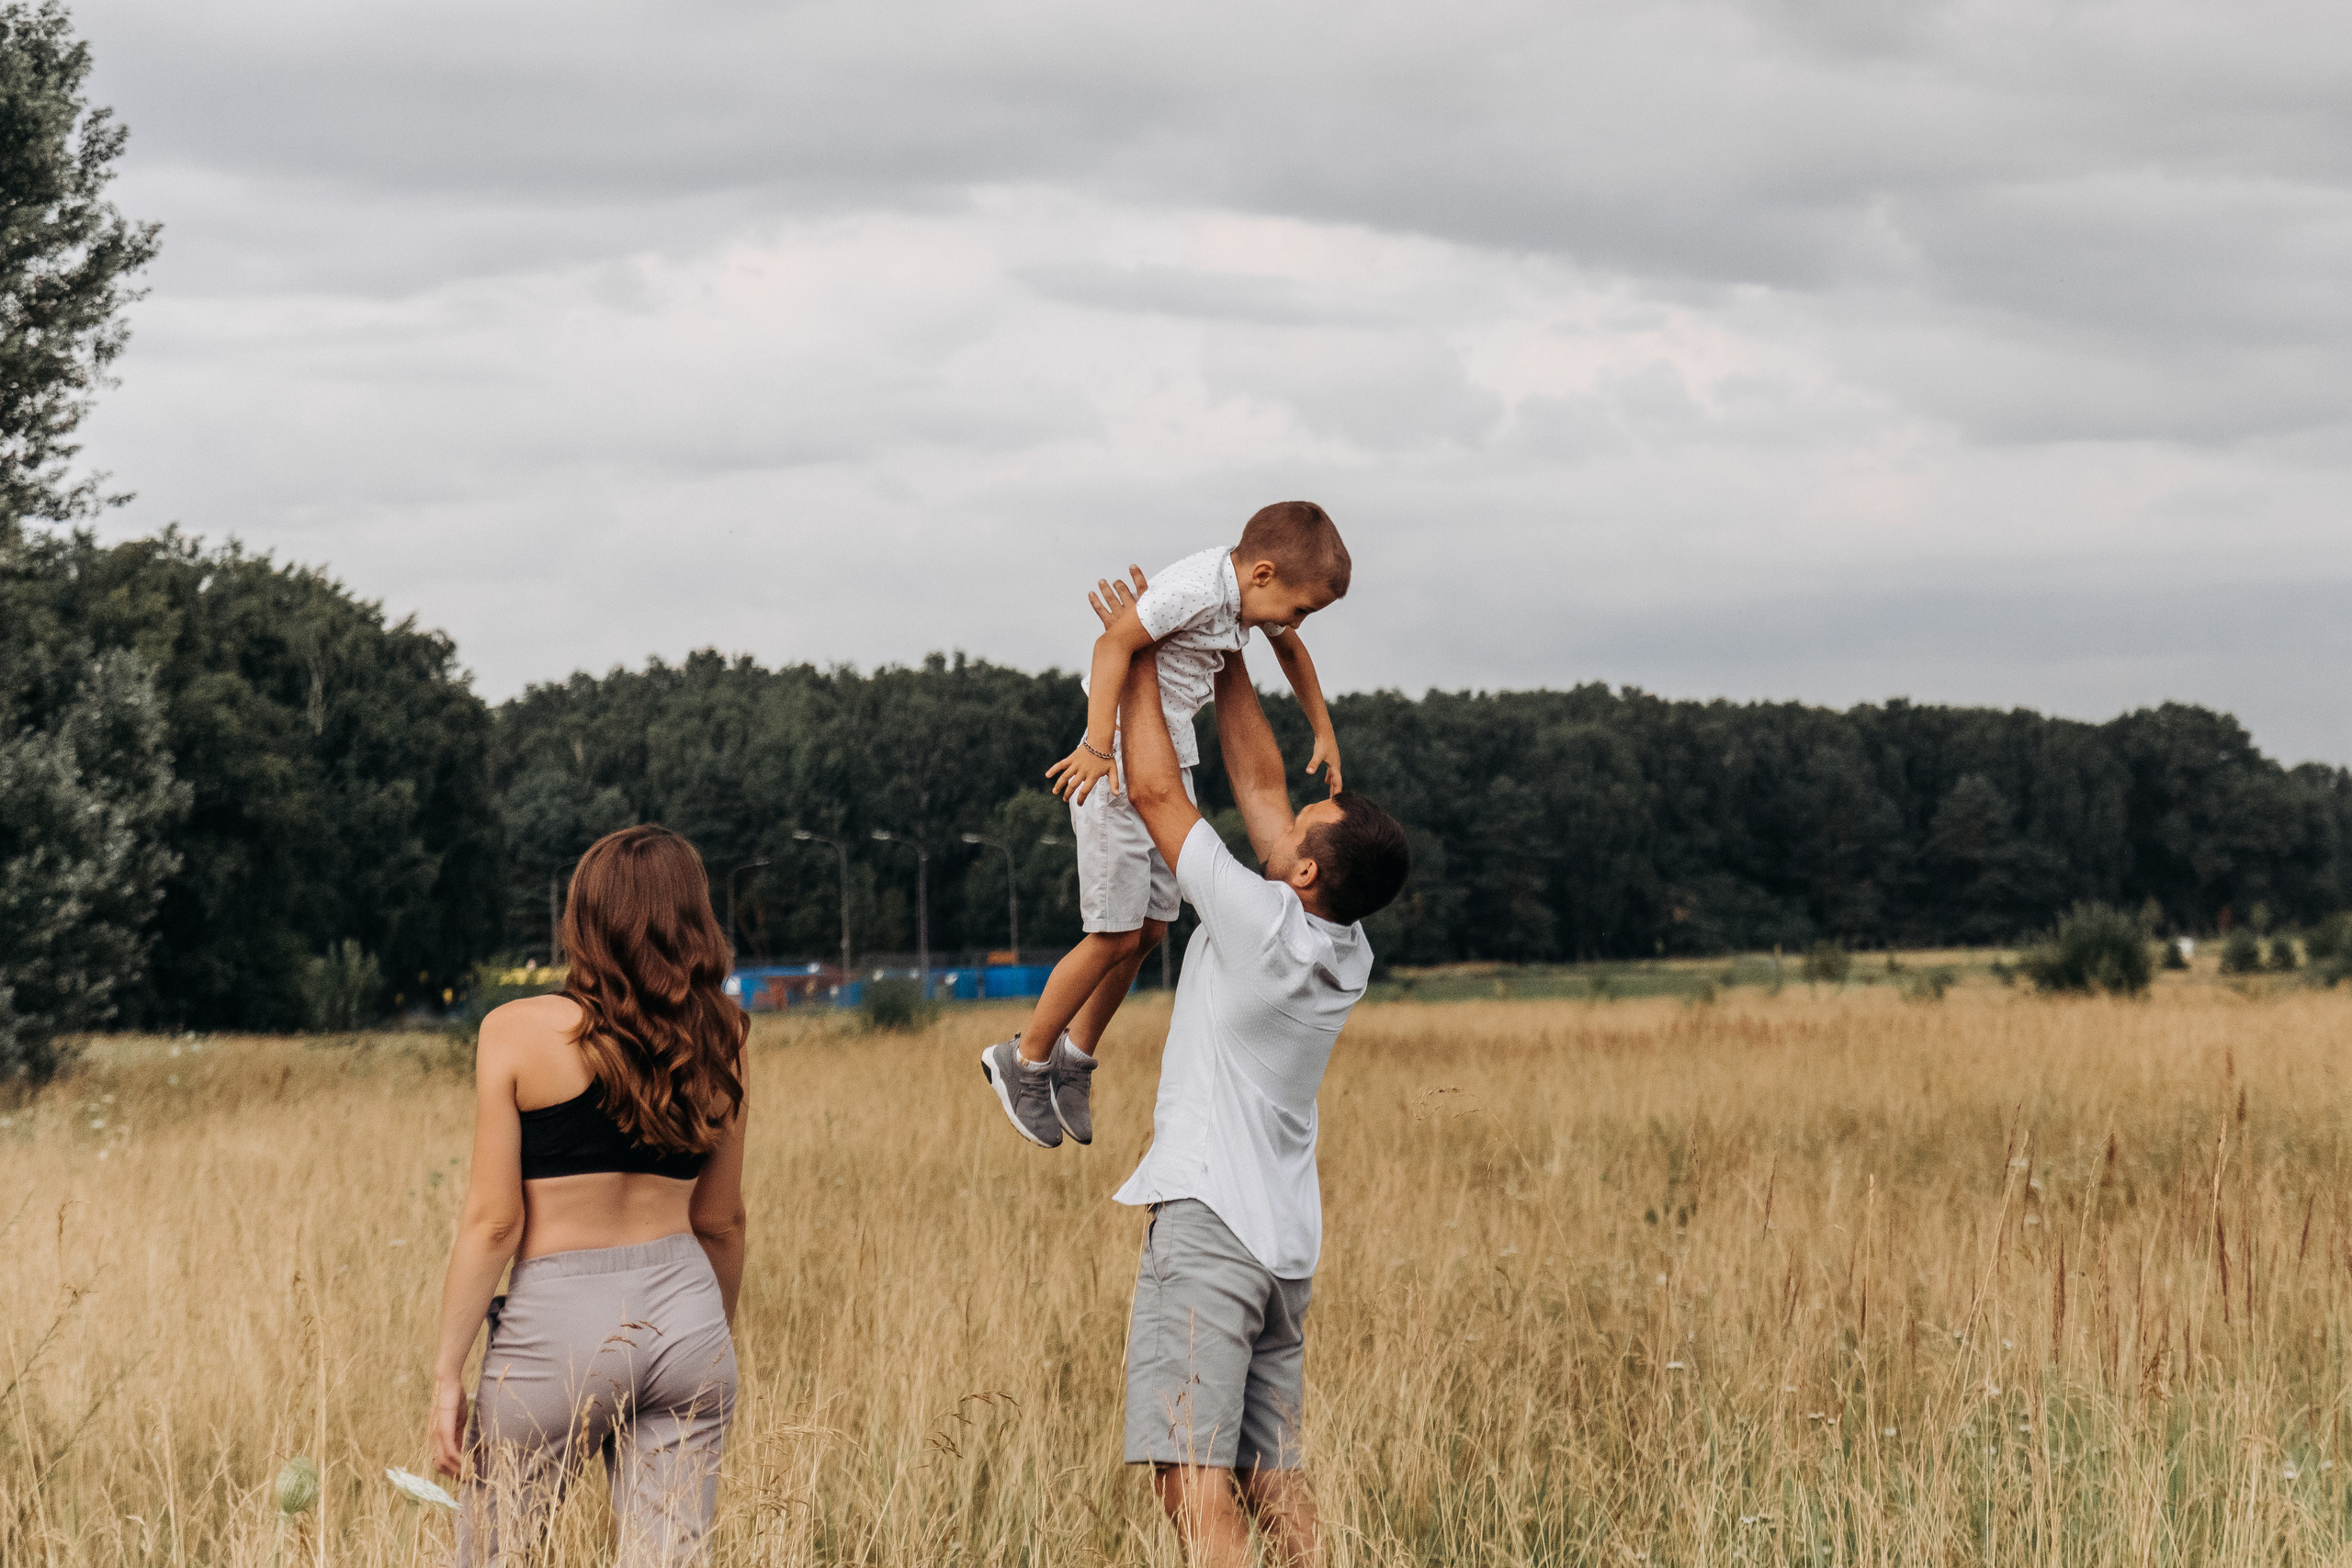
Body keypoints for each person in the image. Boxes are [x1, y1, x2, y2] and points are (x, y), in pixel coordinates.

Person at [1096, 576, 1410, 1568]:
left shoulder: (1260, 924)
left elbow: (1155, 793)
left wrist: (1139, 647)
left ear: (1306, 873)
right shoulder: (1342, 947)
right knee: (1272, 1476)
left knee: (1189, 1480)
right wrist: (1224, 641)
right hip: (1282, 1251)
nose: (1288, 822)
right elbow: (1261, 783)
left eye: (1306, 832)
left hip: (1211, 1230)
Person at [981, 502, 1355, 1151]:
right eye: (1298, 609)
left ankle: (1075, 1055)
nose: (1294, 626)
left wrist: (1322, 726)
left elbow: (1291, 652)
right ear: (1263, 573)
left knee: (1151, 930)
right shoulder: (1195, 588)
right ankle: (1025, 1057)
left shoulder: (1243, 603)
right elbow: (1112, 643)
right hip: (1119, 768)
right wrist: (1100, 744)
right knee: (1111, 933)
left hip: (1169, 761)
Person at [428, 825, 750, 1568]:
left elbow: (494, 1222)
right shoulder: (721, 1036)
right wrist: (709, 1334)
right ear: (692, 921)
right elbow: (721, 1221)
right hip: (687, 1313)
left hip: (556, 1327)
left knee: (497, 1553)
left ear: (582, 921)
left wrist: (449, 1369)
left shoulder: (513, 1032)